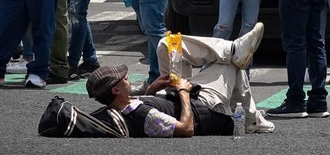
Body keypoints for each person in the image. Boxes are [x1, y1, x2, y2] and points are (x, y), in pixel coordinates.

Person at [85, 25, 273, 137]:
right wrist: (183, 93)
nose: (126, 77)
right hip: (202, 105)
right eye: (122, 78)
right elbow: (186, 128)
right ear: (116, 91)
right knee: (232, 64)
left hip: (182, 94)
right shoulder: (144, 115)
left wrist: (151, 90)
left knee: (165, 44)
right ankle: (250, 117)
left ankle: (232, 49)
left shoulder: (124, 104)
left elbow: (137, 105)